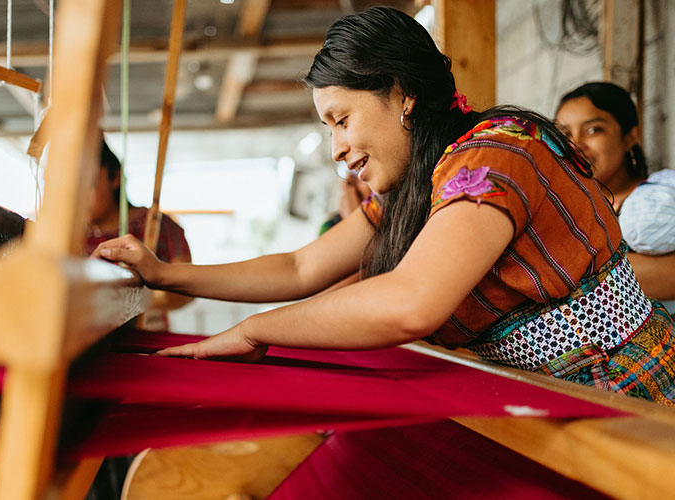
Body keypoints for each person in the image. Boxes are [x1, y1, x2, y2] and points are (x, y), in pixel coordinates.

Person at [94, 7, 675, 404]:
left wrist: (257, 332)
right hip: (545, 392)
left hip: (625, 396)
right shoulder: (421, 183)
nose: (337, 150)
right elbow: (300, 267)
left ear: (403, 94)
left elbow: (410, 304)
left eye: (341, 121)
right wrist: (164, 273)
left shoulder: (494, 160)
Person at [556, 82, 675, 313]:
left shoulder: (660, 199)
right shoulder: (559, 213)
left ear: (630, 136)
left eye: (594, 130)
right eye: (564, 133)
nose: (575, 144)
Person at [85, 139, 193, 330]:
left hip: (147, 342)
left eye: (90, 183)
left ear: (115, 177)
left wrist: (144, 298)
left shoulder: (159, 226)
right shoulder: (68, 236)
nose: (81, 196)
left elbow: (187, 290)